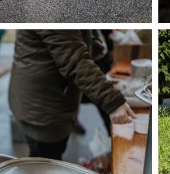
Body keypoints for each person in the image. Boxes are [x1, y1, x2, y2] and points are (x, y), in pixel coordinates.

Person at [8, 30, 136, 161]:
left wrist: (94, 47)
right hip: (42, 103)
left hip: (50, 95)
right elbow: (75, 61)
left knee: (51, 157)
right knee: (44, 164)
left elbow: (72, 39)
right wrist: (113, 101)